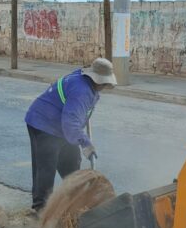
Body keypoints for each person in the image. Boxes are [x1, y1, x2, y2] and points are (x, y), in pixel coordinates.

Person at [24, 58, 117, 212]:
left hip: (61, 126)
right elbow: (71, 123)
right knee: (46, 167)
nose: (106, 86)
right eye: (105, 83)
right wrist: (85, 143)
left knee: (72, 163)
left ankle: (74, 201)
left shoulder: (84, 81)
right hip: (43, 123)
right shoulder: (82, 91)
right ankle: (41, 209)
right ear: (98, 81)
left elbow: (74, 118)